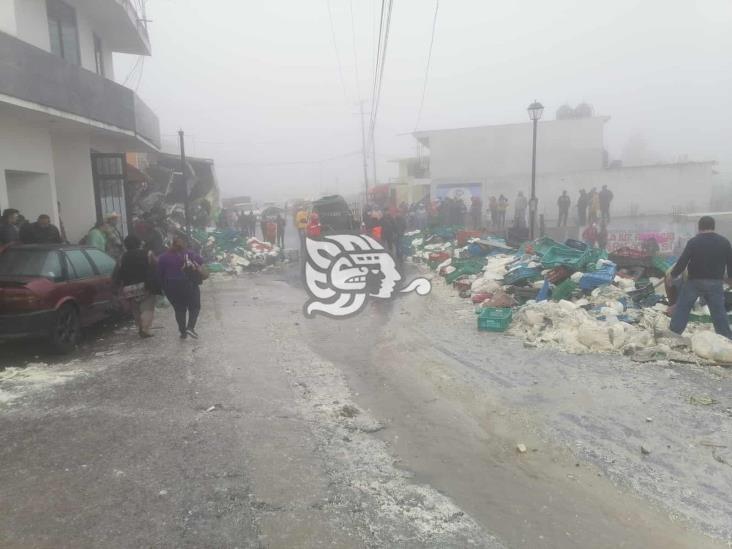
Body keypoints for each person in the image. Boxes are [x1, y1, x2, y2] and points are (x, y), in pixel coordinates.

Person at [668, 216, 732, 339]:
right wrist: (731, 279)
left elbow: (683, 261)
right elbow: (730, 262)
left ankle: (673, 334)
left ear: (699, 227)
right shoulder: (724, 242)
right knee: (719, 312)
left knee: (682, 308)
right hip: (715, 283)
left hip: (694, 283)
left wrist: (673, 275)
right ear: (714, 227)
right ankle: (726, 338)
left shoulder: (694, 242)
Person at [158, 235, 204, 339]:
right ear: (185, 244)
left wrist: (163, 288)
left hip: (171, 286)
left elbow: (160, 274)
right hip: (189, 284)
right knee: (195, 306)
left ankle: (183, 332)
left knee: (179, 309)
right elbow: (201, 261)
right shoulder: (189, 254)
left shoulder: (163, 257)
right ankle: (190, 327)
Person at [114, 235, 158, 338]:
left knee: (136, 309)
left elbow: (117, 273)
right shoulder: (148, 253)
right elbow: (156, 266)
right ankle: (145, 329)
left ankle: (140, 328)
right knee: (147, 308)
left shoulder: (122, 257)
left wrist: (117, 287)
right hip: (147, 286)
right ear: (139, 243)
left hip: (129, 287)